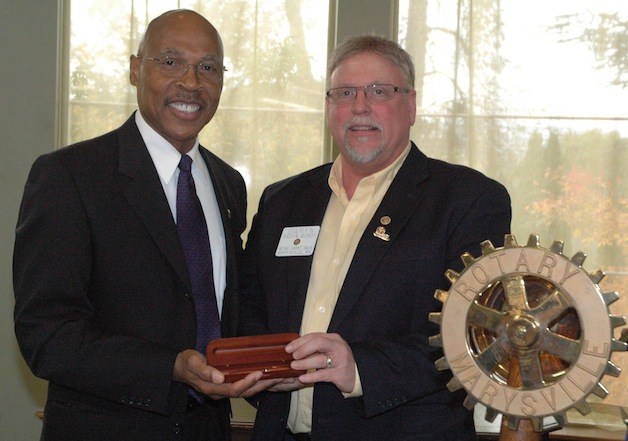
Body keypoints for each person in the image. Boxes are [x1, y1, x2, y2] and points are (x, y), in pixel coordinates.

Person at [237, 35, 512, 441]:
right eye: (345, 92)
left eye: (379, 91)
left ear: (412, 105)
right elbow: (248, 306)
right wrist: (263, 365)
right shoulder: (283, 200)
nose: (360, 106)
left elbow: (477, 335)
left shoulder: (468, 200)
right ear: (330, 106)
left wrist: (361, 368)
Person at [13, 9, 260, 441]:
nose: (191, 82)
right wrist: (170, 367)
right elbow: (46, 336)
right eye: (170, 62)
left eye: (208, 67)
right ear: (134, 70)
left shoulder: (228, 185)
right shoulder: (70, 176)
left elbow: (221, 311)